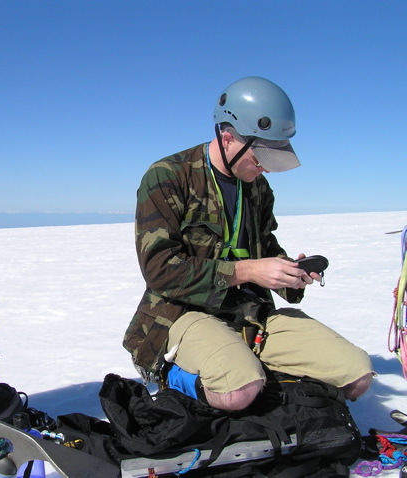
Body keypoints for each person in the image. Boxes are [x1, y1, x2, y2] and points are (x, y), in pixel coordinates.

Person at [123, 77, 373, 411]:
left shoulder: (257, 188)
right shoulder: (169, 176)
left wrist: (288, 274)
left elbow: (265, 247)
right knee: (237, 391)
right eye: (259, 157)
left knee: (356, 375)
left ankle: (250, 367)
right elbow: (160, 271)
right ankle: (174, 374)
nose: (265, 167)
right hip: (181, 312)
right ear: (228, 138)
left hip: (250, 314)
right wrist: (249, 271)